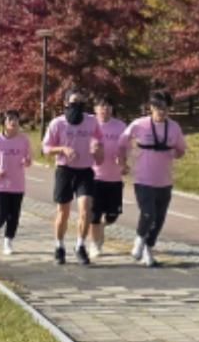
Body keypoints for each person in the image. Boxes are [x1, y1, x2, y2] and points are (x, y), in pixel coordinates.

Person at [119, 91, 187, 267]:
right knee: (148, 213)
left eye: (165, 108)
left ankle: (148, 249)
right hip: (143, 177)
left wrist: (175, 152)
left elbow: (181, 150)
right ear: (151, 108)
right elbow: (122, 142)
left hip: (164, 179)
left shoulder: (174, 127)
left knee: (159, 219)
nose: (161, 112)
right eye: (158, 108)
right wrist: (122, 162)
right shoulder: (139, 124)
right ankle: (139, 240)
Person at [43, 88, 103, 265]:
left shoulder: (91, 121)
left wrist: (97, 148)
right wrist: (62, 149)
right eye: (74, 102)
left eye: (81, 102)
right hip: (65, 170)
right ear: (66, 103)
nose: (78, 105)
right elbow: (46, 148)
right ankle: (59, 246)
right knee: (63, 212)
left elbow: (99, 140)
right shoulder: (57, 123)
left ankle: (80, 246)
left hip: (85, 171)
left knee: (86, 209)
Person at [0, 110, 32, 256]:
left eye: (15, 119)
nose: (13, 122)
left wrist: (27, 161)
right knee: (1, 213)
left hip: (17, 183)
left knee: (14, 215)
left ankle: (8, 242)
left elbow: (29, 159)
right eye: (10, 119)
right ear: (4, 123)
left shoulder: (24, 139)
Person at [88, 96, 127, 258]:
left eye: (108, 106)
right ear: (95, 109)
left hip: (115, 178)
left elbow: (125, 148)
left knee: (112, 216)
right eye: (101, 106)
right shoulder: (88, 124)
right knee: (94, 215)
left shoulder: (121, 126)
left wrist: (123, 161)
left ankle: (101, 227)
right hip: (94, 176)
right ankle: (94, 244)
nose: (105, 109)